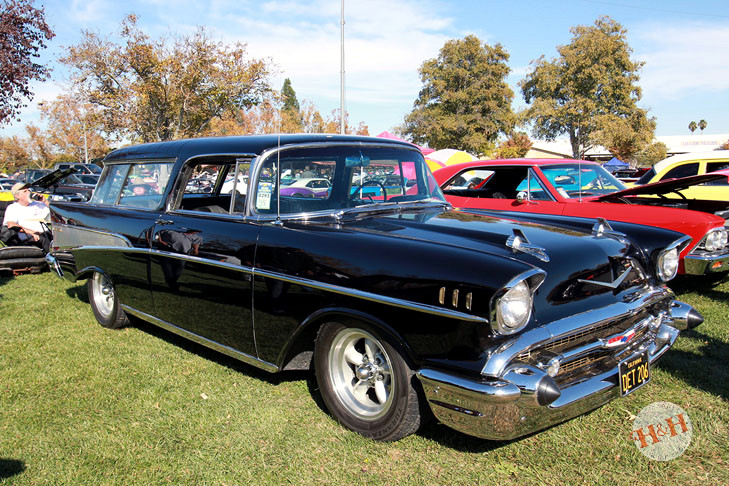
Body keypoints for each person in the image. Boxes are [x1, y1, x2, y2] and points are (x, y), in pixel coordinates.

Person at [1, 182, 51, 253]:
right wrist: (31, 232)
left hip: (46, 234)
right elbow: (11, 225)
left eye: (29, 190)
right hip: (29, 237)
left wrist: (44, 201)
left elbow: (55, 213)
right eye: (25, 191)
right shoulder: (13, 208)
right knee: (45, 239)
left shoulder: (38, 204)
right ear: (17, 196)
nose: (28, 192)